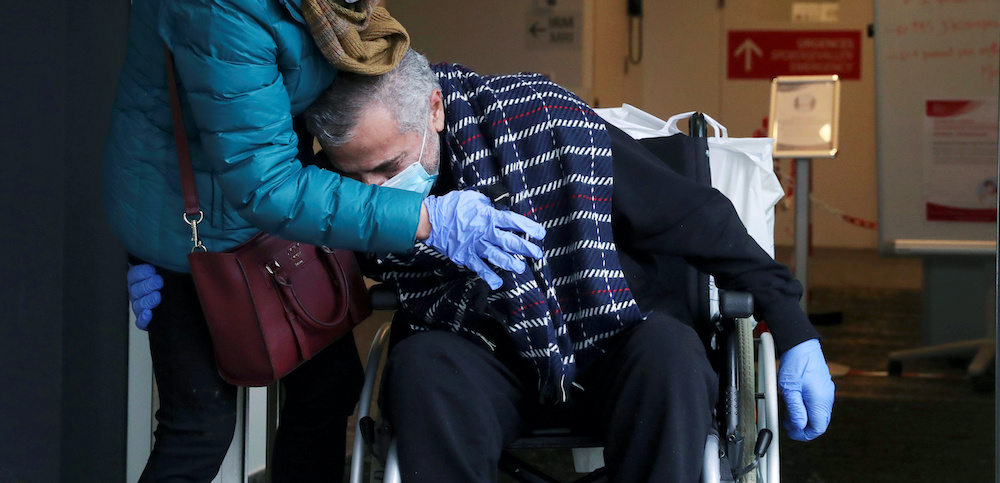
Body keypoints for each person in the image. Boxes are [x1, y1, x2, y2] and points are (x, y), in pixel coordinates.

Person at [106, 0, 543, 482]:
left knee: (326, 383)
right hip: (188, 227)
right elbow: (265, 184)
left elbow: (311, 105)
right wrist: (428, 218)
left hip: (260, 206)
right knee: (201, 427)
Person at [303, 49, 836, 483]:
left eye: (388, 166)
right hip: (476, 345)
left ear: (436, 111)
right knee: (421, 367)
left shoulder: (541, 121)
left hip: (603, 331)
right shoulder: (332, 185)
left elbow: (698, 217)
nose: (374, 192)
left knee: (672, 353)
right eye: (356, 177)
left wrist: (793, 329)